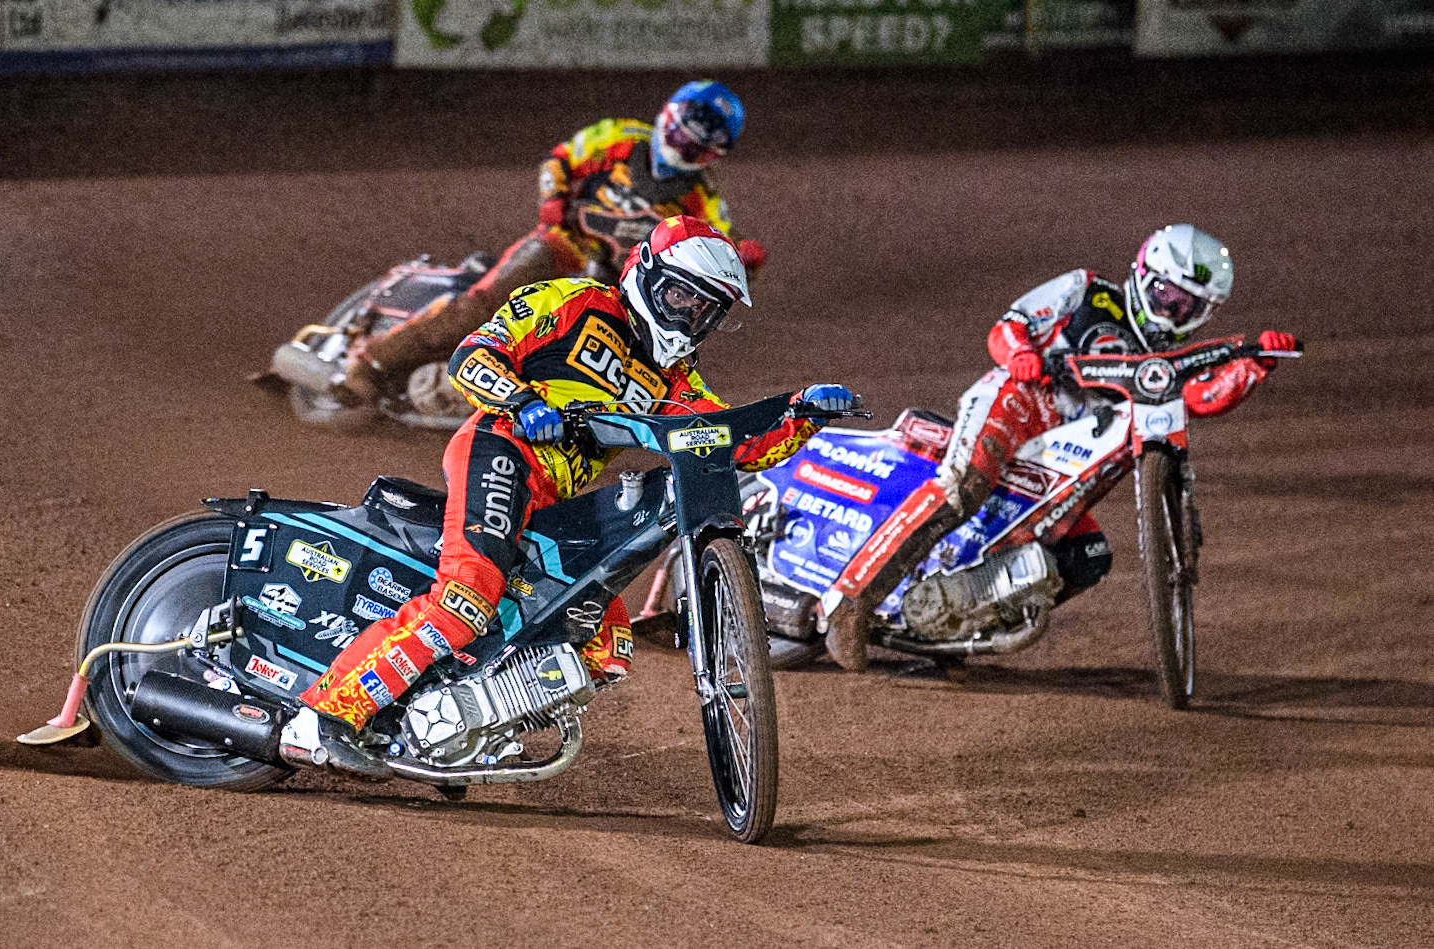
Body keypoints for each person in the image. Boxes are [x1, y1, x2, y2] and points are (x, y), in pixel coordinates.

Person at [288, 216, 852, 776]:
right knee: (467, 597)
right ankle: (324, 716)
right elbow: (473, 355)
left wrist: (802, 414)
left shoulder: (675, 379)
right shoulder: (575, 301)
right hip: (501, 449)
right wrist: (520, 399)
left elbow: (730, 442)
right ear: (648, 276)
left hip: (555, 495)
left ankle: (463, 725)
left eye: (706, 310)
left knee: (603, 647)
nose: (690, 317)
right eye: (681, 296)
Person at [820, 224, 1299, 671]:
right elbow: (1009, 325)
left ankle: (960, 626)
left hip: (1063, 458)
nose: (1171, 314)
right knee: (964, 486)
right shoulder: (1088, 290)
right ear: (1142, 274)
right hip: (1019, 403)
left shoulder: (1171, 362)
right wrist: (1022, 355)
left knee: (1087, 556)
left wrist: (1254, 367)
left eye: (1188, 308)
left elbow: (1200, 398)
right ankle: (851, 601)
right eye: (1165, 296)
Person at [344, 80, 767, 406]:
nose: (685, 152)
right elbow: (560, 159)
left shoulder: (703, 197)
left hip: (615, 282)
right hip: (566, 245)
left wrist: (742, 256)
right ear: (668, 119)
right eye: (684, 139)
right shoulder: (619, 136)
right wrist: (553, 202)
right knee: (484, 303)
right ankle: (373, 362)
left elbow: (718, 243)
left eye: (699, 149)